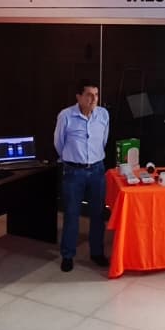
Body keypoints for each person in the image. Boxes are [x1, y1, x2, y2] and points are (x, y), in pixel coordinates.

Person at [53, 81, 110, 272]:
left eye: (96, 95)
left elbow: (103, 140)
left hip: (97, 170)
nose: (93, 99)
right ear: (78, 97)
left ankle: (97, 253)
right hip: (73, 171)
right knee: (71, 214)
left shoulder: (103, 114)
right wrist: (73, 158)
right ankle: (68, 255)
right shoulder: (66, 116)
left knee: (97, 214)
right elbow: (59, 143)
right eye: (88, 95)